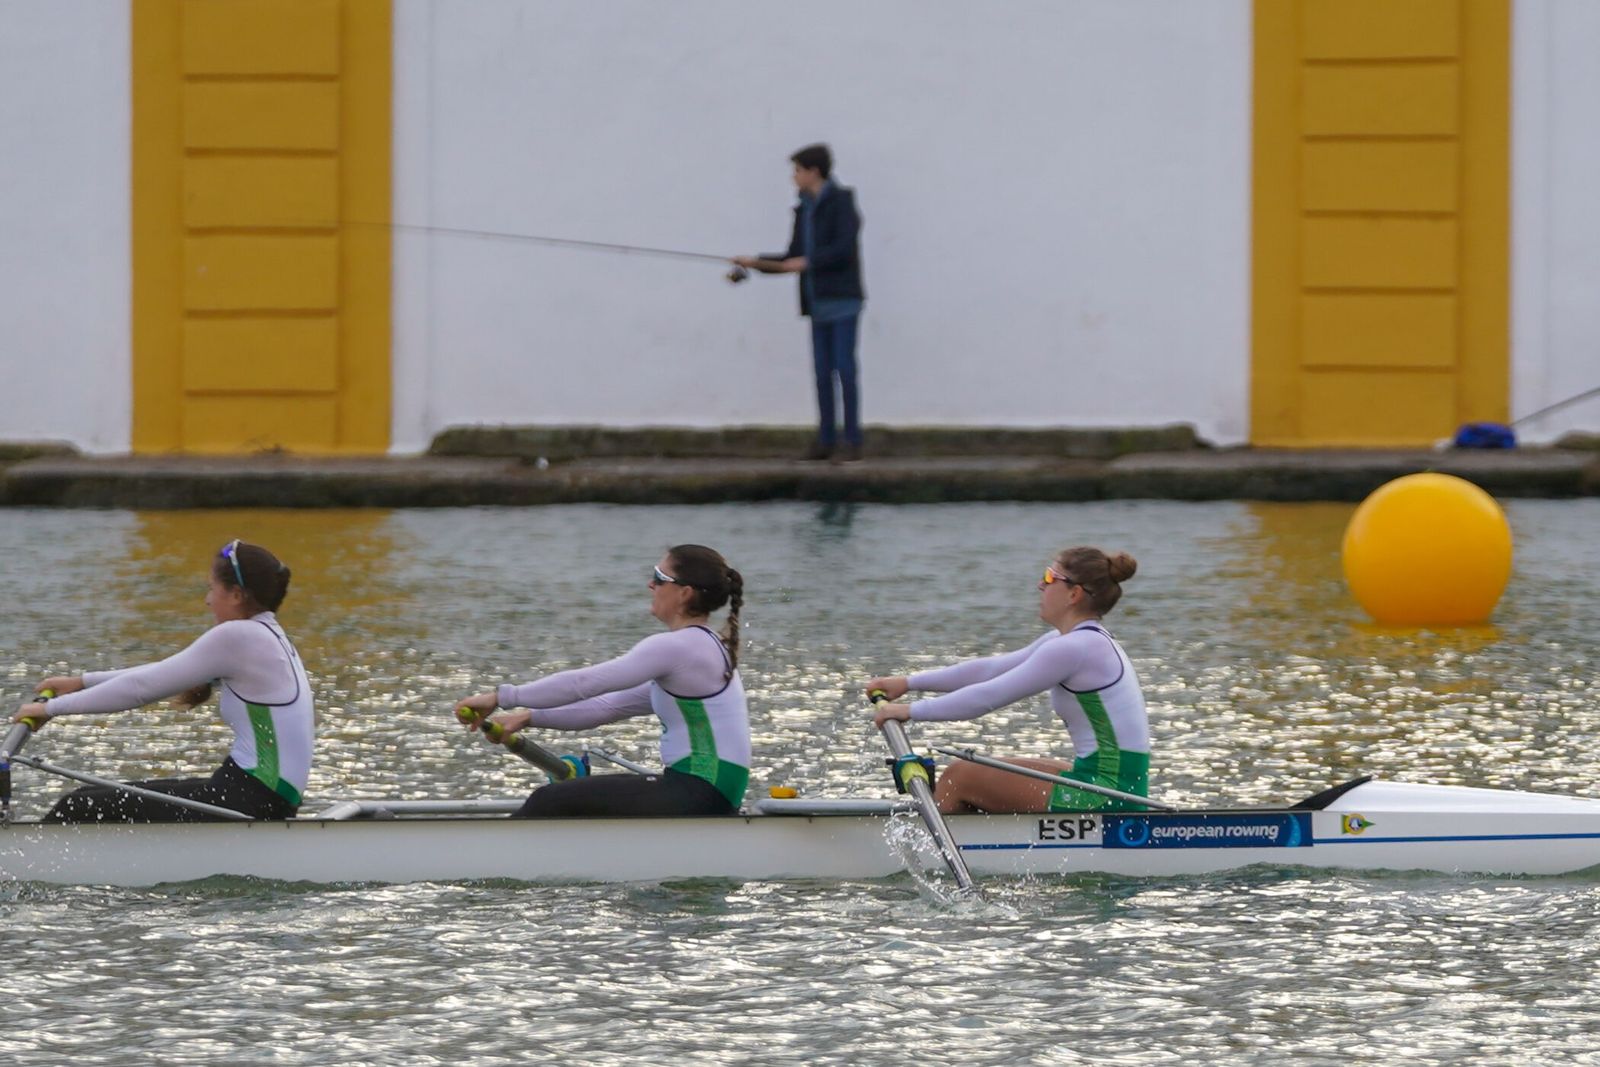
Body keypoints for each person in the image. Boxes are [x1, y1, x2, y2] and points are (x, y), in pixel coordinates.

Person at [12, 540, 313, 823]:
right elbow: (163, 672)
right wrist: (81, 681)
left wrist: (50, 709)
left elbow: (140, 689)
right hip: (256, 794)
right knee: (86, 796)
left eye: (212, 589)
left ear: (236, 595)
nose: (208, 600)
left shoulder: (240, 636)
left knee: (78, 808)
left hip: (250, 798)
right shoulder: (266, 635)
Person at [454, 544, 750, 817]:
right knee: (564, 799)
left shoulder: (676, 647)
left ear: (684, 593)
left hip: (700, 790)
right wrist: (527, 717)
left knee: (548, 800)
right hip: (711, 792)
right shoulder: (703, 647)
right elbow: (608, 707)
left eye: (659, 577)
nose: (651, 585)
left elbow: (585, 683)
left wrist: (501, 697)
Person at [865, 547, 1148, 815]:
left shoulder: (1074, 648)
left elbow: (988, 696)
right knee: (981, 773)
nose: (1041, 584)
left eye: (1050, 577)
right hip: (1113, 783)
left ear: (1073, 594)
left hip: (1109, 793)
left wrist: (909, 711)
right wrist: (908, 682)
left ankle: (927, 852)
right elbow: (991, 670)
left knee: (959, 776)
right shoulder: (1075, 641)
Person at [733, 143, 866, 464]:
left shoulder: (842, 202)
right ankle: (825, 441)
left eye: (797, 171)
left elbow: (843, 249)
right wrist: (755, 262)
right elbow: (790, 256)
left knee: (844, 370)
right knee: (822, 372)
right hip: (816, 303)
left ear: (813, 171)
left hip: (844, 300)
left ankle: (852, 441)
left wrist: (807, 263)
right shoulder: (802, 209)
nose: (793, 177)